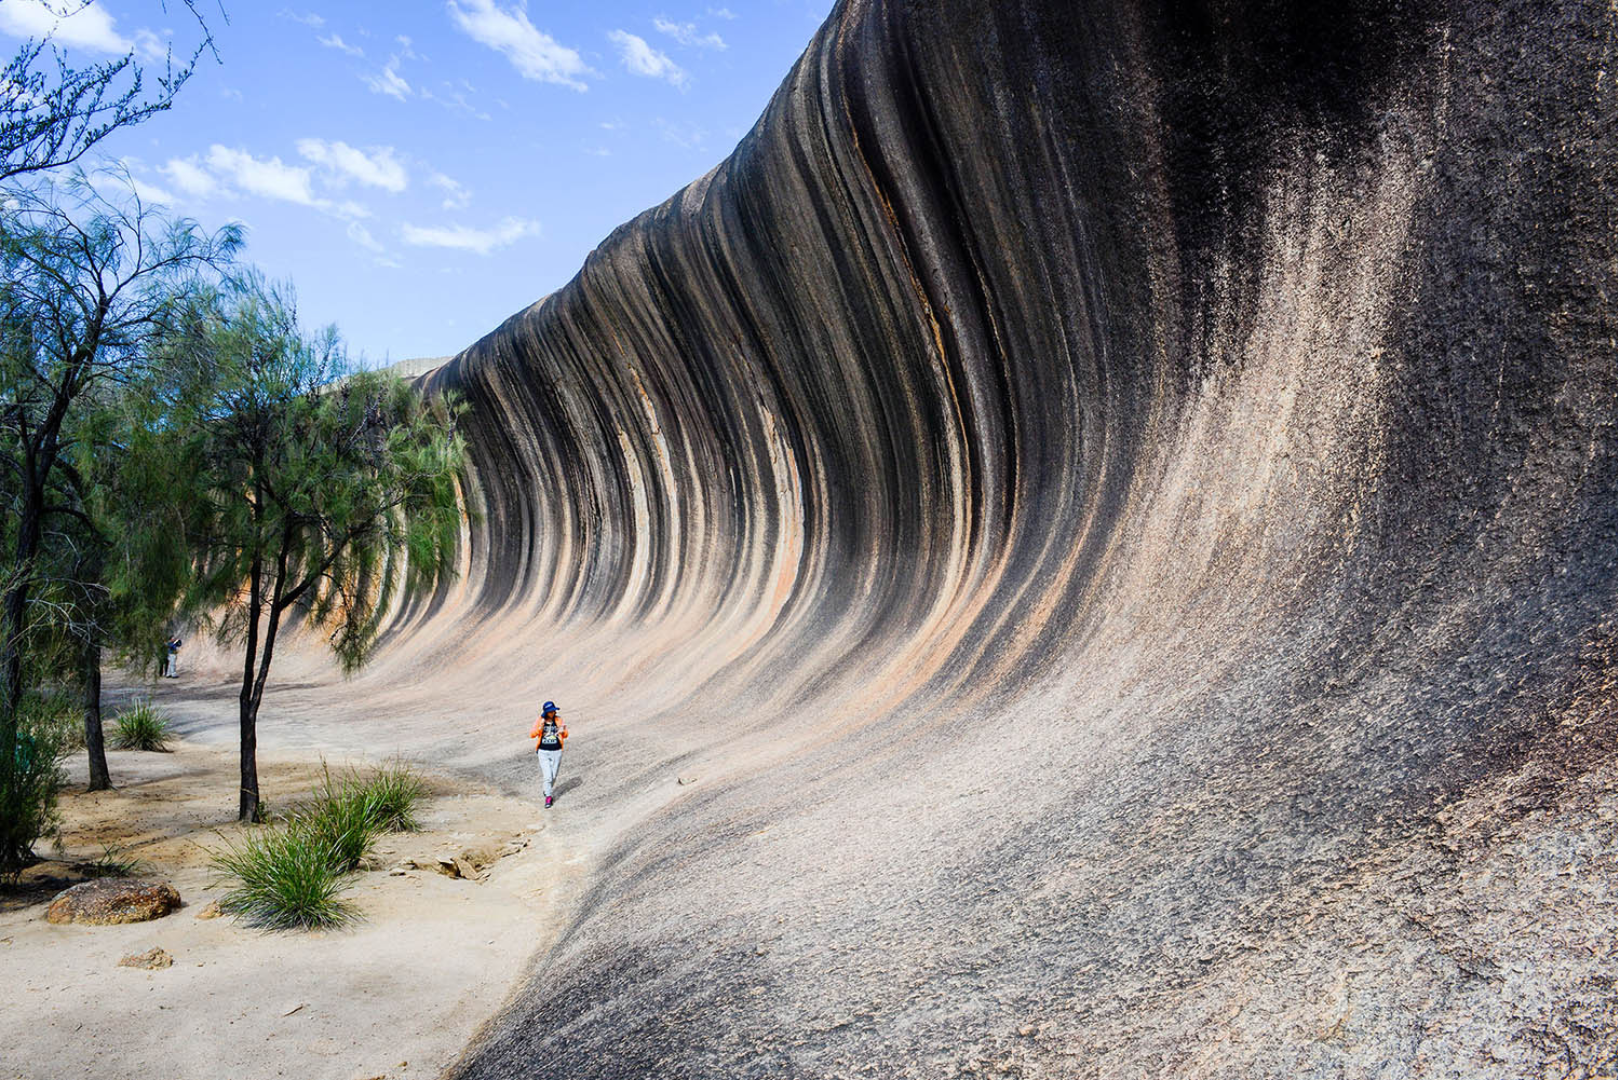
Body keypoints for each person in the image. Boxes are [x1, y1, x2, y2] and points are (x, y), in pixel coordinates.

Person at [529, 700, 568, 809]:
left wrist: (562, 731)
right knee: (548, 776)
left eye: (553, 711)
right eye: (550, 711)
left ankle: (546, 790)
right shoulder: (540, 720)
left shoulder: (559, 720)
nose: (552, 713)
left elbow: (566, 735)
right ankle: (548, 797)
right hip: (543, 752)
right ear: (546, 712)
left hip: (557, 751)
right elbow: (532, 734)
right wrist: (539, 729)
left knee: (553, 775)